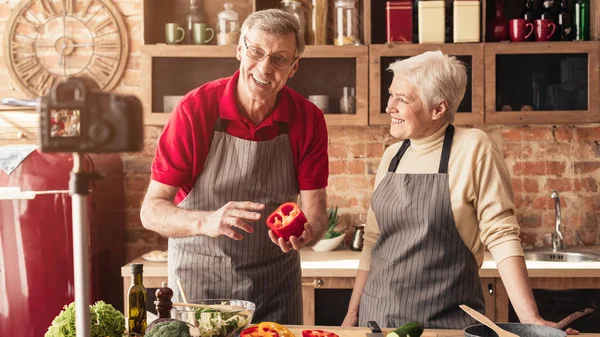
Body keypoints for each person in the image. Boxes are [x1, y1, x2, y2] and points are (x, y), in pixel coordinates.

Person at [341, 51, 574, 333]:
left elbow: (501, 235)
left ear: (438, 109)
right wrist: (352, 316)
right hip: (378, 318)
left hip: (447, 322)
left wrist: (530, 319)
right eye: (391, 96)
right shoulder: (393, 156)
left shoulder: (474, 148)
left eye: (402, 99)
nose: (390, 106)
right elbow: (372, 242)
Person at [140, 9, 329, 324]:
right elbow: (150, 211)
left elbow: (317, 213)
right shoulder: (194, 110)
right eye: (256, 52)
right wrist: (207, 221)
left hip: (275, 288)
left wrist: (308, 232)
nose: (265, 67)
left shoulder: (308, 119)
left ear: (294, 67)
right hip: (199, 289)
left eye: (280, 59)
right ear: (240, 49)